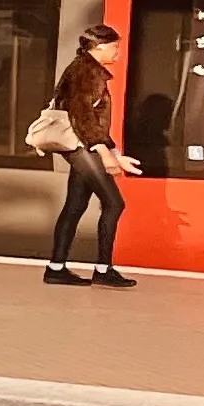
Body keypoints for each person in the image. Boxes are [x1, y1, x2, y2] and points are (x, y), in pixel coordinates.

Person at [45, 23, 136, 286]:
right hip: (80, 145)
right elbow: (83, 116)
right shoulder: (87, 72)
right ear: (99, 47)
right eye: (115, 46)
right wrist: (105, 154)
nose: (118, 52)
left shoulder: (85, 68)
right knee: (114, 203)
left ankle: (56, 267)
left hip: (83, 144)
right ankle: (103, 269)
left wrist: (115, 152)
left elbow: (92, 120)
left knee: (75, 205)